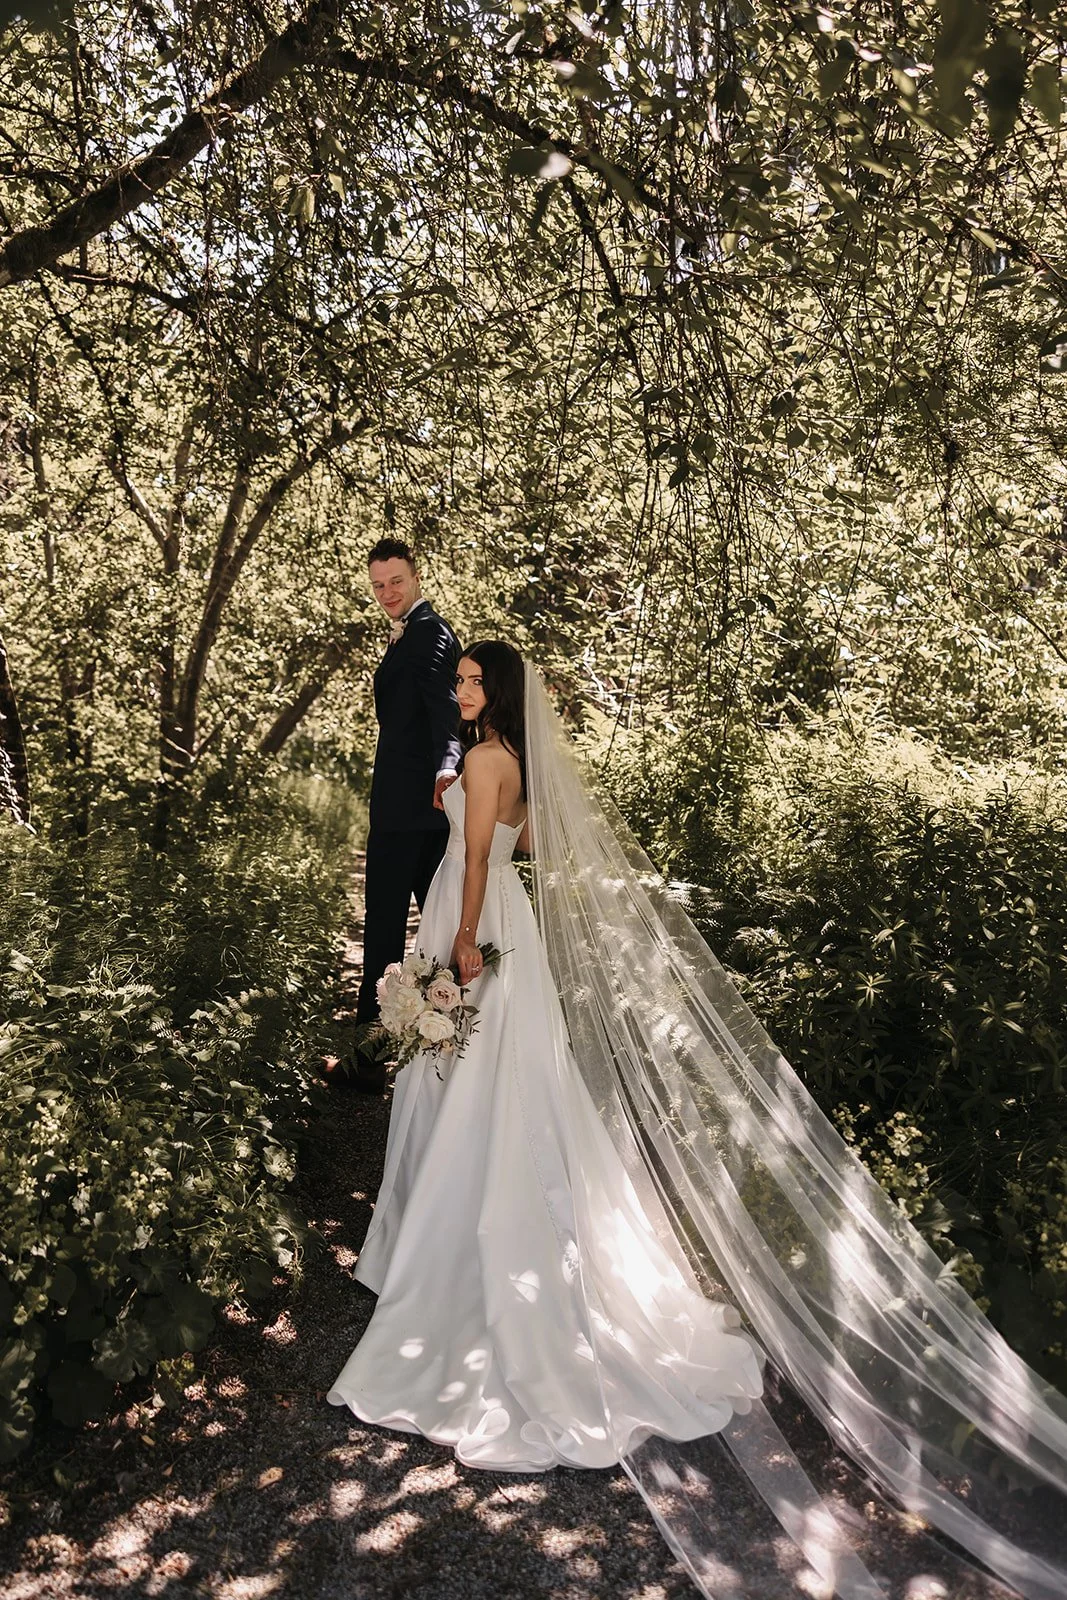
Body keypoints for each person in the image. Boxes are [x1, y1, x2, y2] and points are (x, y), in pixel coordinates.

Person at [329, 643, 1067, 1600]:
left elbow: (471, 856)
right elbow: (518, 842)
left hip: (473, 925)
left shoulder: (480, 756)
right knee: (499, 1087)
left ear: (496, 691)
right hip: (512, 922)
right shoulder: (508, 757)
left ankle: (433, 1247)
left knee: (455, 1082)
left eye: (472, 681)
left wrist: (462, 938)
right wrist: (473, 840)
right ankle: (441, 1228)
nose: (461, 690)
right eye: (459, 680)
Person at [347, 538, 461, 1094]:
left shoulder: (429, 635)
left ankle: (368, 1062)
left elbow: (447, 713)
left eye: (395, 581)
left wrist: (447, 771)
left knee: (389, 934)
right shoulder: (414, 634)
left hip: (414, 814)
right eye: (378, 585)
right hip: (407, 811)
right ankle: (441, 1053)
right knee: (426, 932)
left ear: (416, 578)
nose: (387, 592)